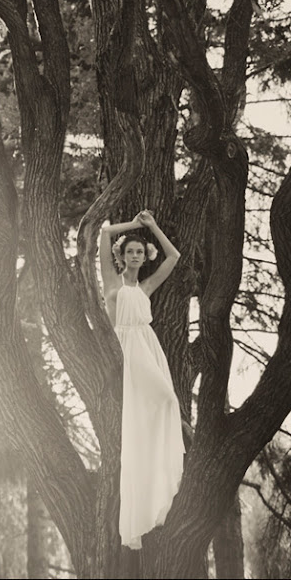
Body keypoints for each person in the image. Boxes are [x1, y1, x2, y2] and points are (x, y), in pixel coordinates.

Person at [100, 209, 185, 550]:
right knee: (163, 399)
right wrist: (135, 225)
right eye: (130, 251)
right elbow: (104, 234)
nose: (135, 255)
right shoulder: (111, 282)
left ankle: (160, 467)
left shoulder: (146, 286)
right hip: (125, 346)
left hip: (149, 347)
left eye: (140, 251)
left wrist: (153, 227)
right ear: (122, 256)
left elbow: (174, 256)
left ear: (144, 257)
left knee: (166, 399)